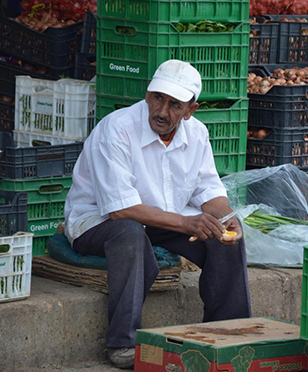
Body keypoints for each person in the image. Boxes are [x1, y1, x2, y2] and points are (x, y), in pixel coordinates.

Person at [64, 60, 252, 369]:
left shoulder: (197, 134)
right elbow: (120, 209)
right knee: (130, 232)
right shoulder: (117, 129)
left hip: (161, 219)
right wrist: (185, 221)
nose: (162, 111)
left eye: (175, 104)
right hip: (97, 222)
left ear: (191, 110)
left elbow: (209, 191)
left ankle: (229, 333)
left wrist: (226, 218)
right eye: (157, 99)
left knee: (224, 235)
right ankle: (122, 343)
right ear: (148, 93)